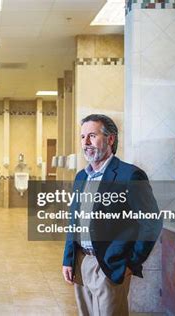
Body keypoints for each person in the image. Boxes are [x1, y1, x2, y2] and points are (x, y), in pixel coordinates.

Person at [62, 114, 162, 316]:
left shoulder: (129, 175)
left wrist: (131, 263)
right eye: (82, 137)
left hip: (109, 265)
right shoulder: (81, 177)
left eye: (92, 136)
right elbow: (74, 221)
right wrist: (68, 258)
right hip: (81, 264)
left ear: (110, 139)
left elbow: (151, 222)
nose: (85, 143)